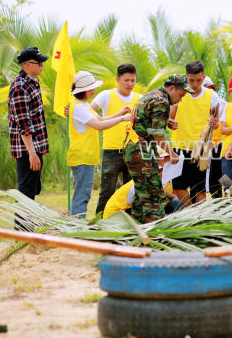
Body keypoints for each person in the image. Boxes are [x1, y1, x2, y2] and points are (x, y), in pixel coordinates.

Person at [125, 74, 193, 223]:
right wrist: (172, 154)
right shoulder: (162, 101)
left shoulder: (152, 95)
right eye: (181, 95)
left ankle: (136, 227)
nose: (180, 99)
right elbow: (158, 136)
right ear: (172, 88)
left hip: (133, 146)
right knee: (153, 193)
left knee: (141, 192)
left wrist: (166, 120)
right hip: (143, 149)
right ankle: (155, 232)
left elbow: (145, 117)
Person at [67, 71, 134, 217]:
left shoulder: (84, 105)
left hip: (87, 157)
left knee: (83, 193)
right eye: (91, 87)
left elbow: (101, 119)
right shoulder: (78, 107)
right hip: (81, 157)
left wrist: (120, 114)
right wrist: (123, 119)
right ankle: (77, 227)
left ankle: (77, 225)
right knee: (82, 195)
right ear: (82, 90)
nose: (93, 90)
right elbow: (98, 125)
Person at [90, 63, 142, 215]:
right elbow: (89, 109)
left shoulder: (139, 98)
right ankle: (99, 223)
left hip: (133, 151)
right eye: (126, 80)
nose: (130, 84)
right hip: (111, 151)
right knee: (107, 190)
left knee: (131, 190)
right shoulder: (107, 95)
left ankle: (128, 223)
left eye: (133, 80)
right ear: (118, 79)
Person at [170, 61, 223, 205]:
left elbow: (217, 122)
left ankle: (199, 220)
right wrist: (170, 121)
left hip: (201, 149)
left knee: (199, 189)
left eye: (199, 80)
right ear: (186, 77)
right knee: (178, 187)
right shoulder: (179, 93)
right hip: (179, 146)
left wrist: (215, 123)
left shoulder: (212, 96)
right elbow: (170, 117)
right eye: (191, 80)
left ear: (204, 77)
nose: (195, 84)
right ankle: (191, 214)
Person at [8, 47, 50, 215]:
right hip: (27, 149)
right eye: (38, 63)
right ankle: (22, 232)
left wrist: (41, 148)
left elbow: (37, 117)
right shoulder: (20, 87)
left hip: (36, 146)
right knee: (25, 192)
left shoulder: (33, 82)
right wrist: (32, 152)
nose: (42, 66)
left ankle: (27, 230)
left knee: (32, 189)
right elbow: (24, 124)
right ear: (26, 65)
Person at [203, 76, 225, 197]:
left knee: (221, 176)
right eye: (208, 89)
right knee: (210, 179)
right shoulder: (198, 106)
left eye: (212, 89)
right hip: (204, 146)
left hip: (219, 145)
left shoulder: (221, 104)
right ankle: (217, 199)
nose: (211, 92)